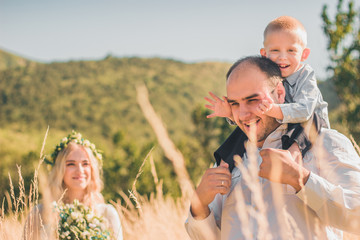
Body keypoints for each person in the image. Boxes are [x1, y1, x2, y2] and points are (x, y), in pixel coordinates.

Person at [185, 56, 360, 239]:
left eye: (252, 100)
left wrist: (300, 179)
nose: (243, 114)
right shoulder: (228, 160)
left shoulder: (326, 143)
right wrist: (199, 205)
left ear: (280, 92)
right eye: (234, 103)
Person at [205, 16, 329, 158]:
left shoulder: (305, 76)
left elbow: (305, 111)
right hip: (284, 123)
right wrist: (231, 113)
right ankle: (224, 162)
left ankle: (293, 154)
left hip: (311, 124)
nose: (283, 57)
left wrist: (274, 110)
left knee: (310, 119)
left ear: (304, 54)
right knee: (244, 128)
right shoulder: (269, 76)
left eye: (291, 51)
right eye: (275, 50)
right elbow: (251, 112)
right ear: (264, 54)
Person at [23, 130, 123, 240]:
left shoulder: (107, 213)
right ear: (59, 169)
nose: (80, 170)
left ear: (92, 169)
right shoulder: (40, 213)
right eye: (71, 164)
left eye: (85, 164)